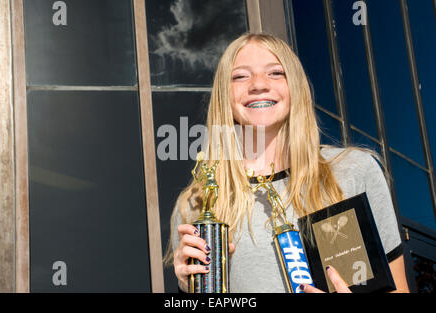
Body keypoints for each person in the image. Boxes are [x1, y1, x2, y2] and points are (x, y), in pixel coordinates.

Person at [164, 33, 409, 293]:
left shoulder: (354, 171)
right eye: (240, 76)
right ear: (224, 94)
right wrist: (188, 288)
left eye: (276, 73)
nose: (258, 84)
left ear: (296, 86)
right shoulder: (196, 203)